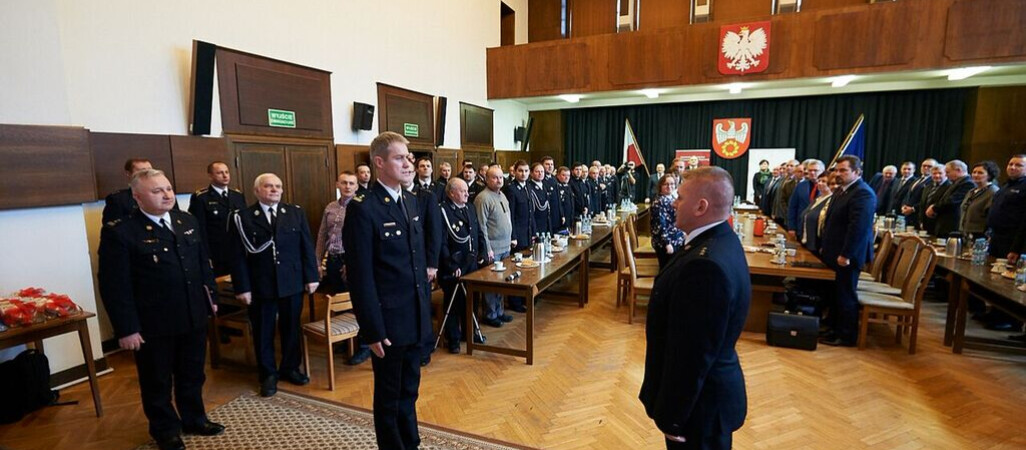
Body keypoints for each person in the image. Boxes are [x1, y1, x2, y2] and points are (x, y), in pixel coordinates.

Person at [98, 169, 223, 450]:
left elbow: (203, 264)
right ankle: (165, 429)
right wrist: (127, 328)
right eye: (157, 191)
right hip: (153, 322)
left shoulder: (186, 220)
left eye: (168, 188)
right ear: (137, 197)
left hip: (192, 313)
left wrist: (211, 298)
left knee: (193, 373)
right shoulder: (121, 232)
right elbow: (114, 285)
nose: (167, 194)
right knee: (157, 380)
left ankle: (194, 418)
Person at [639, 166, 751, 450]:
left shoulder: (705, 266)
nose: (674, 202)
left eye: (680, 197)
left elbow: (692, 354)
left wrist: (674, 417)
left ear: (701, 206)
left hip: (698, 408)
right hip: (702, 401)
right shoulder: (716, 241)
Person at [342, 132, 435, 450]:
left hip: (415, 316)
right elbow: (360, 276)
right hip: (388, 322)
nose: (409, 163)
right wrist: (371, 329)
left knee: (410, 390)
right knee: (389, 396)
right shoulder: (363, 208)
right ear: (379, 162)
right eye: (400, 157)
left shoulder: (411, 200)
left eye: (409, 157)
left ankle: (411, 442)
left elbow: (415, 262)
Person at [229, 173, 319, 397]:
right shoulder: (243, 217)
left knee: (291, 328)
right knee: (263, 330)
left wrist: (312, 277)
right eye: (269, 186)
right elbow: (237, 255)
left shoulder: (295, 212)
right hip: (261, 285)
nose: (275, 190)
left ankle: (290, 368)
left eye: (278, 186)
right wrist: (243, 287)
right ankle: (268, 374)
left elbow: (306, 246)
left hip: (292, 282)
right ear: (257, 190)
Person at [314, 171, 372, 365]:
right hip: (333, 258)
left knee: (358, 302)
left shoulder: (361, 207)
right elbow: (323, 235)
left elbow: (364, 240)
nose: (347, 186)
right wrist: (317, 261)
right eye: (344, 183)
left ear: (357, 186)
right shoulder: (330, 207)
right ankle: (344, 339)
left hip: (352, 260)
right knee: (338, 299)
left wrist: (352, 263)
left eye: (351, 183)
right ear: (337, 184)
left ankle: (363, 344)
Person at [819, 155, 877, 347]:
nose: (838, 174)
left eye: (843, 170)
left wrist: (846, 254)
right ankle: (834, 328)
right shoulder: (841, 191)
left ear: (857, 172)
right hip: (834, 251)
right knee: (835, 294)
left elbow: (858, 228)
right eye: (837, 170)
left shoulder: (863, 194)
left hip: (848, 255)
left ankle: (846, 335)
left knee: (845, 294)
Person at [438, 178, 489, 353]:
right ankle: (453, 338)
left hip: (471, 263)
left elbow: (477, 232)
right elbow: (441, 242)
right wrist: (451, 265)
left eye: (467, 190)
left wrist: (482, 252)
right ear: (451, 193)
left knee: (472, 299)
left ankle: (470, 333)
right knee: (454, 302)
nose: (467, 193)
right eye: (462, 191)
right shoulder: (443, 211)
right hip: (454, 265)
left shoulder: (470, 207)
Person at [188, 161, 247, 276]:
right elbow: (200, 229)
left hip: (237, 249)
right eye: (220, 173)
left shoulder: (237, 195)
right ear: (210, 176)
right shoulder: (201, 197)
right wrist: (205, 255)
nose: (225, 176)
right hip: (216, 251)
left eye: (227, 172)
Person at [474, 167, 515, 328]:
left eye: (500, 177)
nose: (499, 180)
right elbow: (481, 226)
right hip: (493, 249)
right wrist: (487, 248)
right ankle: (490, 314)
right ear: (487, 179)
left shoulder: (502, 195)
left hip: (505, 247)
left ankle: (499, 311)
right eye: (495, 178)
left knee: (502, 282)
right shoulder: (482, 198)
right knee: (492, 283)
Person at [102, 158, 180, 223]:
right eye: (142, 171)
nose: (147, 174)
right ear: (128, 173)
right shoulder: (118, 199)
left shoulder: (168, 195)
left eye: (150, 170)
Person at [987, 154, 1026, 260]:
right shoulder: (1005, 186)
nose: (1013, 167)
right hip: (995, 238)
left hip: (1012, 241)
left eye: (1018, 165)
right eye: (1010, 164)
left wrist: (1016, 248)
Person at [926, 160, 972, 238]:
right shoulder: (955, 183)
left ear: (958, 170)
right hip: (944, 224)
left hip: (951, 225)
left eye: (947, 172)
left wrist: (934, 208)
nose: (946, 175)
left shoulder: (967, 183)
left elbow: (952, 201)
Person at [649, 175, 685, 269]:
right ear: (660, 186)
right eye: (666, 184)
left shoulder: (672, 198)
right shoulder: (658, 202)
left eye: (672, 184)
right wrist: (667, 244)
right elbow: (660, 225)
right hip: (665, 243)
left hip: (676, 239)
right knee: (667, 270)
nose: (669, 186)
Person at [959, 161, 1000, 238]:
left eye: (980, 173)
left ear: (989, 175)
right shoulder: (971, 191)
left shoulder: (993, 192)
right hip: (965, 232)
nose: (976, 175)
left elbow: (991, 216)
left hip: (980, 235)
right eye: (974, 172)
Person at [787, 159, 825, 239]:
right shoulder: (801, 186)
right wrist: (791, 227)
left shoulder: (828, 187)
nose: (812, 173)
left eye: (815, 170)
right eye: (810, 170)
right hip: (801, 227)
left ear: (822, 171)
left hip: (818, 230)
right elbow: (792, 207)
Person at [800, 173, 835, 254]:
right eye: (819, 181)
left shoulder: (831, 200)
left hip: (817, 245)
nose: (820, 183)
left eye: (824, 181)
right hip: (806, 241)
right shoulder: (818, 199)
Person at [900, 158, 937, 229]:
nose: (926, 168)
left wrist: (913, 209)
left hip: (919, 216)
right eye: (924, 166)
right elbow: (908, 195)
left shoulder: (933, 182)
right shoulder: (917, 180)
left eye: (929, 166)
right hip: (908, 216)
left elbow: (926, 200)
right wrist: (904, 205)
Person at [918, 164, 949, 234]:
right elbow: (922, 204)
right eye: (934, 173)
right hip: (926, 224)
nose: (937, 176)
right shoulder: (927, 187)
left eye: (940, 173)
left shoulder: (949, 187)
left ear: (945, 174)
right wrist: (921, 221)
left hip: (940, 225)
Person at [772, 160, 801, 226]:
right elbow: (777, 197)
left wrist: (788, 213)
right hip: (778, 214)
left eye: (791, 166)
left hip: (788, 215)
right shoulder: (783, 179)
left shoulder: (797, 181)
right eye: (787, 165)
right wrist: (774, 212)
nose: (788, 167)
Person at [528, 162, 553, 235]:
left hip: (546, 223)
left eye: (542, 171)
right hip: (536, 223)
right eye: (537, 171)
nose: (540, 173)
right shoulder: (529, 187)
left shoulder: (544, 186)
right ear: (531, 173)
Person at [554, 166, 575, 233]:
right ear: (558, 175)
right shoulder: (556, 187)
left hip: (569, 218)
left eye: (568, 175)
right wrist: (562, 215)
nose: (566, 177)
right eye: (563, 175)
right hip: (561, 219)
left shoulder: (568, 186)